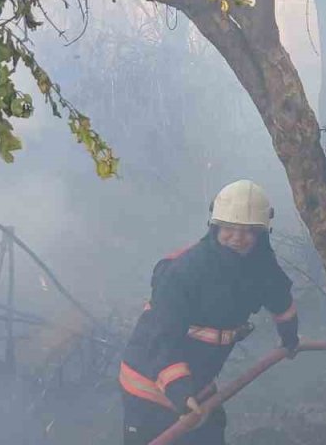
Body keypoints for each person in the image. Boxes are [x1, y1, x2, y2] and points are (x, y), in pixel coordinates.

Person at [119, 180, 301, 445]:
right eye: (229, 228)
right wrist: (180, 392)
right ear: (214, 226)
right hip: (149, 385)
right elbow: (162, 338)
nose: (237, 238)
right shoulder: (183, 272)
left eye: (247, 231)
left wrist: (289, 337)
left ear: (261, 234)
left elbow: (280, 299)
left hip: (199, 382)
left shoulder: (261, 264)